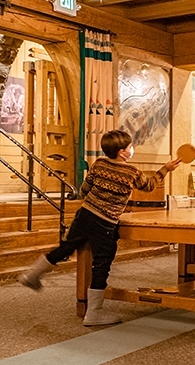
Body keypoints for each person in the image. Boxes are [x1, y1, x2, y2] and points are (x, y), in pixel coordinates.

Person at [18, 130, 181, 326]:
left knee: (66, 247)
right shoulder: (131, 172)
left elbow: (84, 190)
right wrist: (166, 168)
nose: (131, 149)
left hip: (84, 215)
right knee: (102, 263)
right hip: (105, 222)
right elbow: (150, 185)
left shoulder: (99, 164)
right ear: (122, 152)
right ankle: (94, 313)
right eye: (129, 147)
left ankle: (33, 274)